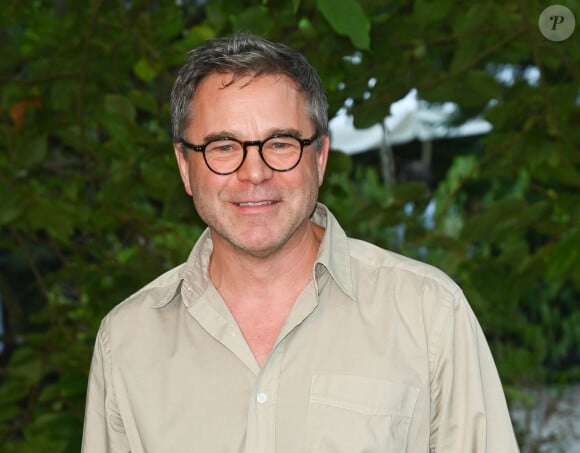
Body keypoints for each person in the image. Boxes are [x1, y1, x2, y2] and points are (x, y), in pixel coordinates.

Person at [82, 32, 520, 452]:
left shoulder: (429, 316)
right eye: (223, 147)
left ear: (320, 156)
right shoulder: (125, 343)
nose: (254, 173)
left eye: (280, 143)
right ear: (184, 166)